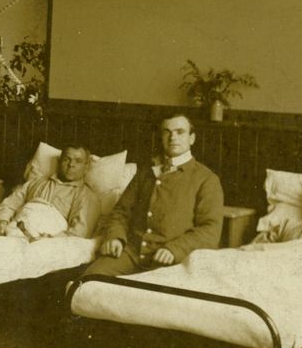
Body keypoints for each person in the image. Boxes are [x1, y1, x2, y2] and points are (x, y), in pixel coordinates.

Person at [83, 113, 224, 276]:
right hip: (131, 254)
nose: (173, 138)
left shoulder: (206, 179)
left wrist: (175, 249)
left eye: (180, 132)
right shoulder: (146, 173)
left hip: (173, 260)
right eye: (167, 132)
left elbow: (210, 230)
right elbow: (121, 212)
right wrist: (115, 237)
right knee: (86, 283)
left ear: (192, 138)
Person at [0, 145, 100, 239]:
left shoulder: (86, 196)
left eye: (78, 161)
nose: (71, 165)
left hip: (46, 240)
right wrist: (1, 220)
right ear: (59, 162)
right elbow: (9, 204)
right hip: (12, 230)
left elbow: (79, 233)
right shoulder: (36, 183)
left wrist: (50, 240)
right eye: (66, 159)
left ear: (86, 167)